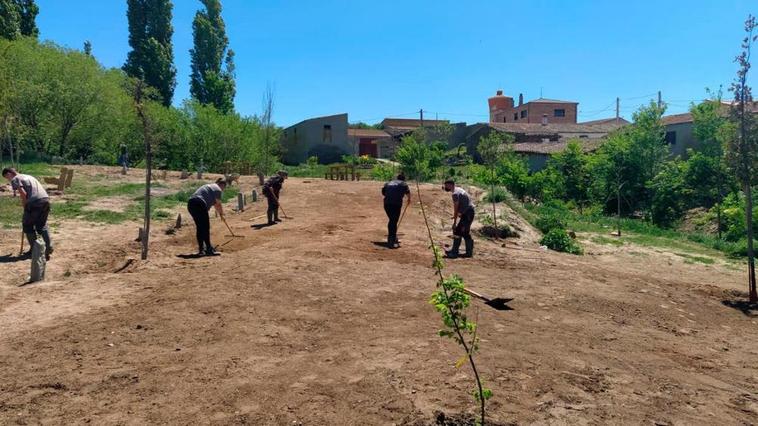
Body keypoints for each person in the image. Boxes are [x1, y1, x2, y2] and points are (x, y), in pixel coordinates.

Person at [2, 167, 53, 260]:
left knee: (27, 225)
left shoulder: (16, 179)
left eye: (6, 177)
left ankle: (34, 250)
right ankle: (48, 248)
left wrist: (25, 206)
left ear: (9, 173)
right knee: (41, 225)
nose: (8, 180)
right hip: (45, 200)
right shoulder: (29, 176)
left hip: (34, 202)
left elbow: (23, 193)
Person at [187, 178, 227, 256]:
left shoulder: (209, 186)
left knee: (200, 227)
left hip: (191, 203)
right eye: (224, 188)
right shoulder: (218, 189)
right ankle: (209, 250)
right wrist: (222, 214)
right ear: (222, 185)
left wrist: (220, 214)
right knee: (205, 227)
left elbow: (215, 204)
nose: (223, 190)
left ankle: (201, 250)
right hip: (199, 204)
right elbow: (218, 204)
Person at [443, 179, 475, 258]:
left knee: (457, 231)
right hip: (469, 212)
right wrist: (458, 214)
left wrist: (454, 222)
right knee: (465, 232)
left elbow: (456, 208)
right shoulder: (459, 189)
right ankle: (468, 252)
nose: (445, 187)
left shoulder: (455, 194)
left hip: (467, 214)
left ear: (450, 185)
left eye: (446, 185)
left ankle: (454, 252)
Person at [382, 173, 411, 248]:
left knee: (392, 220)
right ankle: (391, 239)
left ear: (397, 178)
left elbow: (383, 193)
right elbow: (408, 193)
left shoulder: (388, 183)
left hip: (387, 204)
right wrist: (409, 200)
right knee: (393, 220)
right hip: (396, 204)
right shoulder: (404, 184)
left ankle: (393, 237)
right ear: (404, 179)